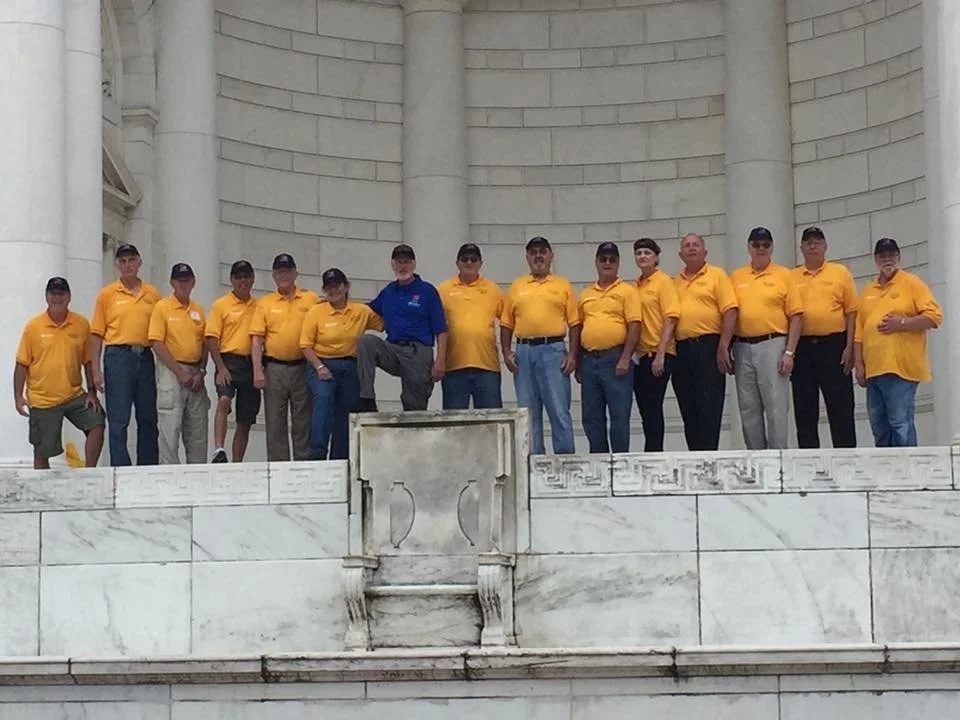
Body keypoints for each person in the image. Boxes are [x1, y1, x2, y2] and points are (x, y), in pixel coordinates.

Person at [855, 238, 942, 447]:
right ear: (875, 259)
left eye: (891, 254)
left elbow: (934, 317)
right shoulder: (868, 290)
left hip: (900, 370)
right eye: (882, 255)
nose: (887, 259)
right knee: (879, 426)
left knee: (900, 423)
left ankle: (908, 471)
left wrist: (901, 323)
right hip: (874, 370)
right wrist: (859, 365)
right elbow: (859, 332)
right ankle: (886, 474)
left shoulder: (912, 283)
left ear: (899, 257)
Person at [500, 236, 580, 455]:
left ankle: (565, 463)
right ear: (527, 257)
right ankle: (532, 464)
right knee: (528, 412)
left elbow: (574, 323)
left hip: (553, 350)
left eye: (542, 252)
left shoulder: (562, 284)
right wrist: (506, 352)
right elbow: (506, 323)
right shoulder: (517, 285)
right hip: (524, 352)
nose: (538, 256)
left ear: (551, 256)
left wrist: (572, 354)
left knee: (558, 408)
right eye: (533, 252)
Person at [14, 277, 104, 469]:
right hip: (42, 399)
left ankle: (90, 473)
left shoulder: (81, 324)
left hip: (74, 395)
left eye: (61, 293)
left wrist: (91, 392)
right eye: (53, 294)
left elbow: (88, 361)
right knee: (42, 451)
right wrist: (18, 396)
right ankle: (41, 492)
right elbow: (21, 364)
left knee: (97, 421)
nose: (57, 298)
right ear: (46, 297)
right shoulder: (33, 327)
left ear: (69, 296)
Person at [729, 227, 803, 450]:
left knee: (776, 405)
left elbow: (796, 316)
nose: (761, 249)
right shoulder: (736, 277)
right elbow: (729, 313)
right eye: (756, 244)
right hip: (742, 346)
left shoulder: (784, 275)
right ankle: (756, 459)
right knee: (748, 407)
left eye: (766, 245)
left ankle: (778, 458)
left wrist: (789, 352)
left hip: (774, 344)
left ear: (772, 247)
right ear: (748, 247)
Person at [300, 268, 383, 460]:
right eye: (328, 287)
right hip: (321, 363)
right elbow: (305, 346)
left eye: (336, 285)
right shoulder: (316, 311)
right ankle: (317, 453)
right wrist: (319, 367)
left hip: (351, 366)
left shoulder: (361, 311)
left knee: (347, 411)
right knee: (323, 398)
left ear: (346, 286)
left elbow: (385, 323)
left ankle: (340, 458)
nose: (332, 290)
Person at [90, 243, 160, 466]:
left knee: (148, 416)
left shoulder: (152, 294)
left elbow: (161, 330)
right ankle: (120, 468)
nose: (127, 265)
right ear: (117, 265)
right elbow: (96, 334)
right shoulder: (107, 294)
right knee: (119, 418)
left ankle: (148, 467)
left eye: (131, 260)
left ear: (139, 262)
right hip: (118, 356)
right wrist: (95, 371)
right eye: (123, 261)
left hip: (145, 355)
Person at [357, 244, 447, 412]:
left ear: (413, 264)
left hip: (418, 351)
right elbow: (364, 311)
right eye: (399, 262)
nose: (402, 266)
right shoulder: (388, 292)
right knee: (367, 342)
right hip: (393, 349)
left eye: (406, 262)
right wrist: (334, 307)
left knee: (415, 406)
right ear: (392, 264)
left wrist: (440, 361)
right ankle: (366, 398)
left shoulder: (427, 291)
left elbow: (441, 329)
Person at [790, 227, 858, 448]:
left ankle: (846, 458)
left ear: (825, 246)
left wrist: (849, 347)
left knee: (840, 405)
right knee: (804, 407)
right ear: (801, 248)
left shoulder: (840, 273)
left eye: (817, 242)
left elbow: (851, 312)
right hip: (803, 347)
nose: (812, 246)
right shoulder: (791, 276)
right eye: (808, 242)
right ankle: (808, 461)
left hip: (834, 344)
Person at [672, 233, 738, 451]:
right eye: (687, 246)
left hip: (709, 346)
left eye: (696, 245)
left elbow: (730, 311)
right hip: (682, 349)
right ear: (680, 253)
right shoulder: (674, 282)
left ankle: (710, 457)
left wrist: (723, 345)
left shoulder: (717, 275)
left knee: (709, 405)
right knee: (688, 407)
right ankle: (694, 458)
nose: (691, 249)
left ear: (705, 251)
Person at [250, 253, 319, 461]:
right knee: (275, 422)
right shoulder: (264, 303)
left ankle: (303, 467)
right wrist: (257, 370)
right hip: (274, 368)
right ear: (273, 275)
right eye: (280, 272)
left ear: (296, 273)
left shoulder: (311, 299)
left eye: (288, 271)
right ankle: (279, 470)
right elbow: (256, 339)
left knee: (303, 421)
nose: (284, 275)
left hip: (302, 366)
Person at [577, 242, 641, 453]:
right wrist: (577, 362)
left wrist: (625, 358)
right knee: (591, 416)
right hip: (589, 361)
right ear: (596, 262)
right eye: (603, 259)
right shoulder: (586, 293)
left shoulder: (627, 291)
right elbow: (579, 327)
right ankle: (599, 464)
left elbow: (634, 325)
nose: (607, 263)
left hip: (615, 360)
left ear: (618, 263)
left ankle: (620, 464)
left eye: (612, 259)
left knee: (619, 414)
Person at [148, 263, 209, 464]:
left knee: (198, 432)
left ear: (193, 282)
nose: (183, 284)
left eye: (187, 280)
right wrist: (179, 372)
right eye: (179, 281)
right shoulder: (162, 307)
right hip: (170, 371)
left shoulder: (198, 311)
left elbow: (205, 343)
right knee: (169, 429)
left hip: (196, 373)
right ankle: (168, 480)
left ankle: (198, 480)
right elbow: (156, 343)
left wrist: (201, 371)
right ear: (172, 282)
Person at [436, 243, 503, 410]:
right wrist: (438, 360)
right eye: (464, 259)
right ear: (457, 263)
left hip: (487, 367)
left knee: (491, 424)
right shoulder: (442, 290)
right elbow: (434, 325)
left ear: (480, 263)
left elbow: (509, 321)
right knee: (454, 424)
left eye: (473, 259)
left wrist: (509, 351)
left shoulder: (493, 289)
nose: (469, 263)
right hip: (454, 367)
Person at [206, 260, 259, 463]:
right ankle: (219, 449)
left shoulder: (259, 306)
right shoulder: (221, 305)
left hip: (251, 364)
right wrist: (220, 367)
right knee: (223, 400)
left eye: (246, 276)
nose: (243, 281)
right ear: (231, 280)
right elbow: (211, 338)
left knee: (245, 418)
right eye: (238, 277)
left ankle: (237, 462)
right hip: (227, 360)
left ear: (253, 278)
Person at [632, 238, 680, 452]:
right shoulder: (636, 285)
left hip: (658, 354)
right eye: (639, 253)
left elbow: (670, 318)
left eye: (647, 253)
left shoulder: (663, 282)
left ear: (656, 257)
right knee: (645, 409)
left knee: (652, 407)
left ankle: (654, 454)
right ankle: (651, 451)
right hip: (641, 356)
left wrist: (661, 353)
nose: (643, 256)